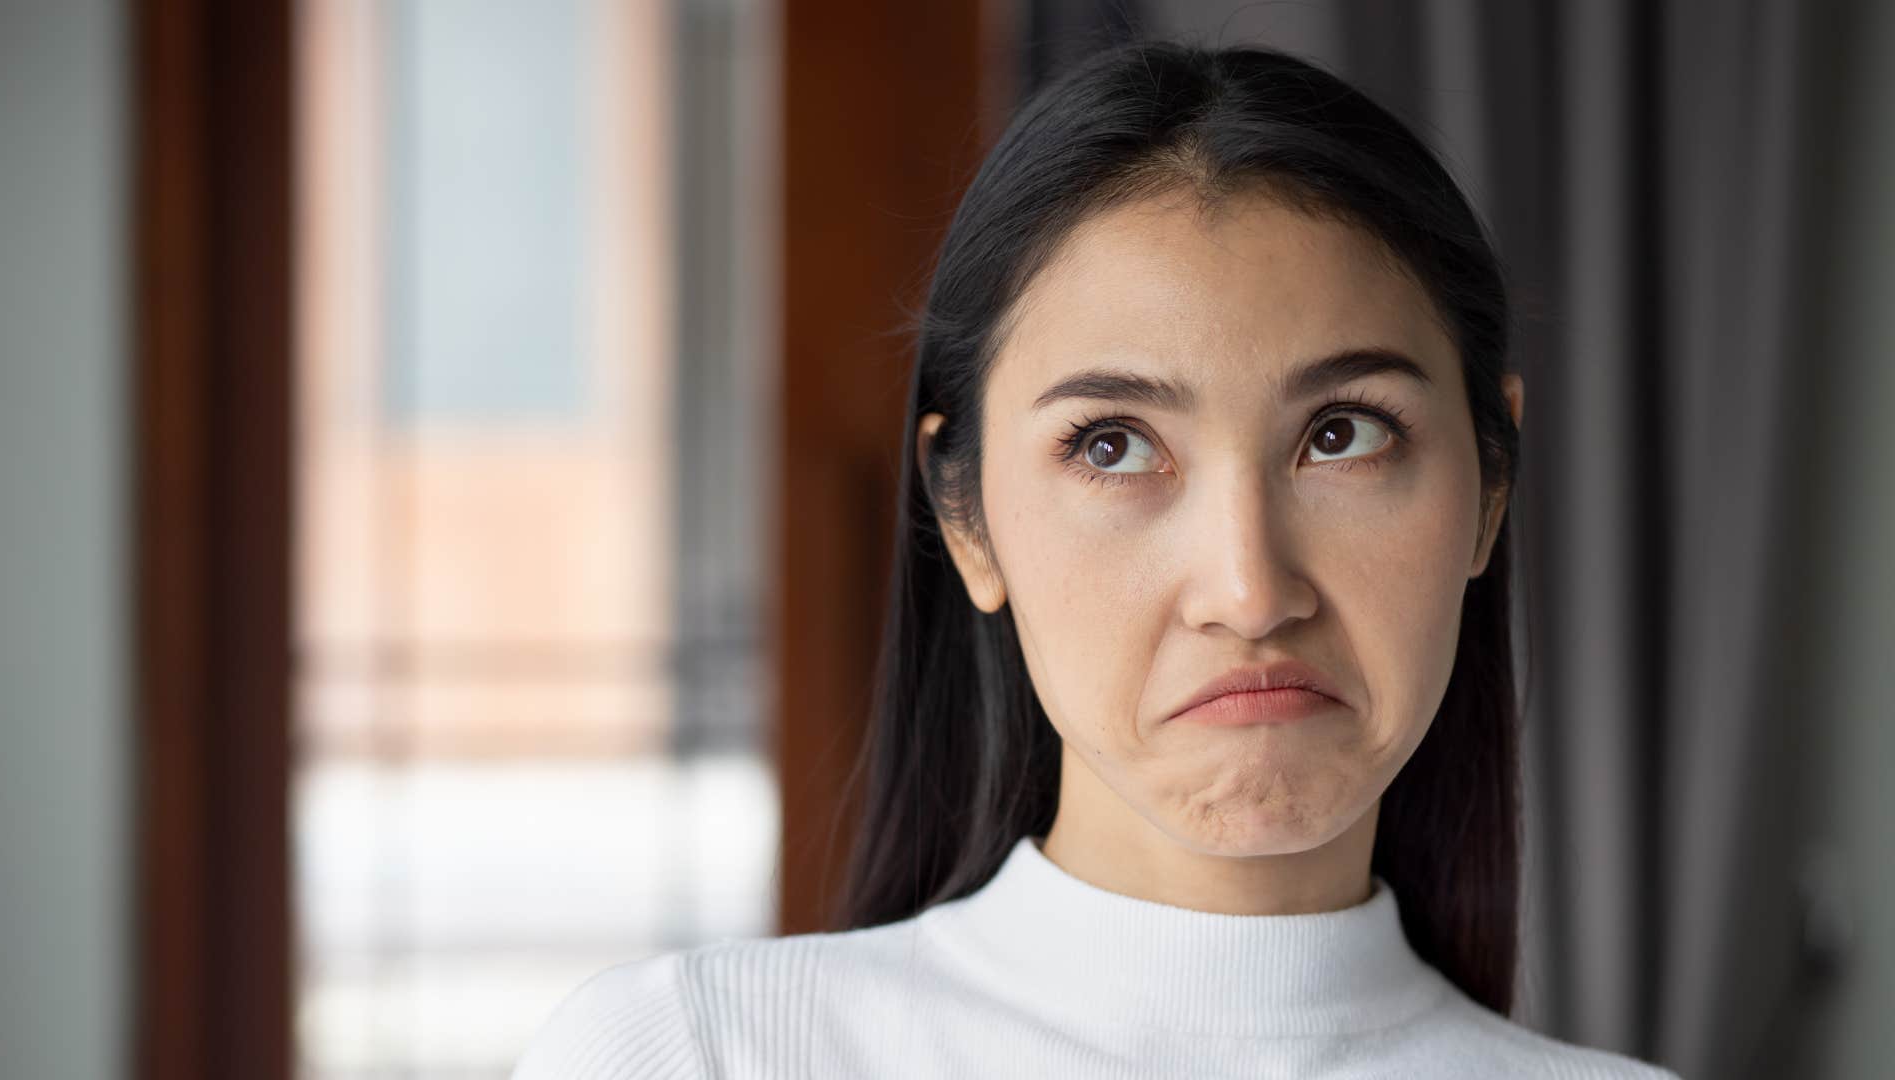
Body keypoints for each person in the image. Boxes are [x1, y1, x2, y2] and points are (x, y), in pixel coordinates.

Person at [514, 39, 1681, 1079]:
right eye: (1114, 446)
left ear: (1491, 487)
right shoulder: (703, 1055)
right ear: (965, 517)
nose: (1249, 591)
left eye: (1343, 435)